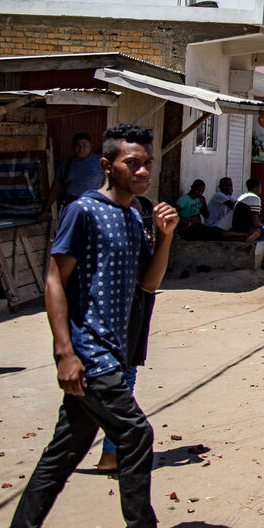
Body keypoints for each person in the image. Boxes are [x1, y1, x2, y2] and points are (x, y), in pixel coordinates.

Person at [0, 123, 195, 528]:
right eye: (133, 163)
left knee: (60, 457)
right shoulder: (83, 210)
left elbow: (148, 284)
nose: (143, 170)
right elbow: (54, 279)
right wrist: (64, 352)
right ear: (107, 166)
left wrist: (165, 238)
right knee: (136, 434)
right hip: (90, 353)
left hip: (116, 352)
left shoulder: (136, 214)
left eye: (147, 162)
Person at [95, 193, 156, 473]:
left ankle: (110, 452)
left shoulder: (96, 214)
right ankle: (111, 452)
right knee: (121, 379)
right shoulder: (123, 218)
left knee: (105, 383)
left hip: (127, 310)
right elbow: (148, 278)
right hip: (123, 312)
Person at [38, 132, 105, 222]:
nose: (81, 149)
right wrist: (44, 212)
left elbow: (110, 186)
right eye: (78, 146)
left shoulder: (101, 162)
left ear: (90, 146)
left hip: (94, 207)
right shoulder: (66, 164)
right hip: (71, 208)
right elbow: (55, 189)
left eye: (85, 146)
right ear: (72, 146)